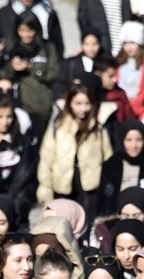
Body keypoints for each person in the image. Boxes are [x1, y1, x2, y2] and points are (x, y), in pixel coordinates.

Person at [36, 85, 112, 217]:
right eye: (78, 104)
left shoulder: (98, 128)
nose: (83, 108)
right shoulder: (57, 127)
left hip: (89, 186)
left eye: (87, 104)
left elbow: (108, 158)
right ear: (70, 103)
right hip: (62, 184)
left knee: (87, 225)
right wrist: (45, 191)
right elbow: (46, 160)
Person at [0, 12, 60, 135]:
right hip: (19, 108)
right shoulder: (11, 47)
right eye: (22, 30)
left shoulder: (47, 47)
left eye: (30, 30)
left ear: (37, 29)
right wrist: (12, 67)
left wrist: (34, 69)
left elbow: (55, 73)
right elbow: (2, 76)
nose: (26, 35)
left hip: (42, 106)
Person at [96, 121, 144, 219]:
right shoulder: (110, 165)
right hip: (115, 220)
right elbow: (103, 201)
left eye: (139, 140)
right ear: (122, 140)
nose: (134, 145)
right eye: (129, 140)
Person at [114, 25, 144, 116]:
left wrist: (132, 105)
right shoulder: (119, 59)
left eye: (132, 43)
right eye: (125, 43)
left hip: (139, 108)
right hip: (119, 104)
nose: (128, 47)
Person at [91, 55, 138, 126]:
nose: (115, 79)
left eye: (115, 75)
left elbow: (129, 120)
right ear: (98, 74)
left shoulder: (120, 93)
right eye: (110, 76)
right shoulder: (88, 93)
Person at [55, 30, 103, 98]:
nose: (91, 48)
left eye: (94, 44)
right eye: (87, 44)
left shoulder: (105, 63)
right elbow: (61, 84)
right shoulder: (70, 63)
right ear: (82, 45)